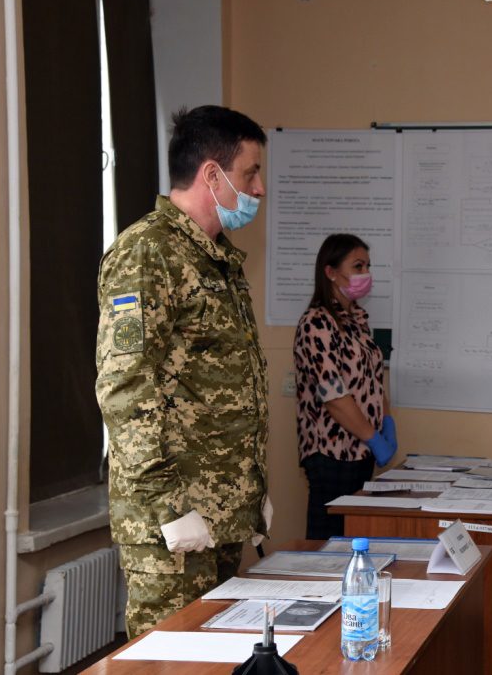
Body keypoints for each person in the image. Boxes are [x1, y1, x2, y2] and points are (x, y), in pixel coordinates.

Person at [95, 105, 272, 638]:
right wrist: (170, 507)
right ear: (212, 175)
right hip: (171, 526)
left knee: (217, 655)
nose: (260, 188)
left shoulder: (216, 257)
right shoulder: (148, 253)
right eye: (250, 173)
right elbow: (125, 389)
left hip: (219, 515)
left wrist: (251, 487)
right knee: (170, 661)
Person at [293, 233, 397, 540]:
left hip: (361, 452)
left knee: (357, 540)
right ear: (330, 272)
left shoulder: (357, 319)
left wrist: (386, 421)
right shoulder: (316, 323)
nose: (365, 274)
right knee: (329, 546)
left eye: (367, 266)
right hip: (332, 455)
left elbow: (372, 379)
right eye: (357, 266)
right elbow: (334, 396)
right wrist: (374, 438)